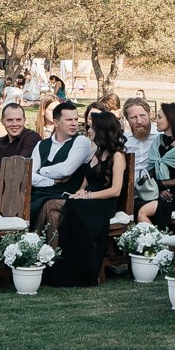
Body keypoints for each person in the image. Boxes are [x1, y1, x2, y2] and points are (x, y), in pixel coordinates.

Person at [48, 108, 126, 287]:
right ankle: (61, 266)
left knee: (74, 208)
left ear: (103, 131)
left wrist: (89, 196)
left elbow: (115, 190)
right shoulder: (94, 153)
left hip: (104, 201)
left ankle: (84, 271)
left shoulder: (117, 156)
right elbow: (85, 181)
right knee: (70, 204)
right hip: (88, 198)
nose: (88, 131)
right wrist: (79, 193)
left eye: (92, 128)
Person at [29, 102, 92, 223]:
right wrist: (51, 181)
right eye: (69, 119)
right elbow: (29, 175)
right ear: (56, 123)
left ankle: (36, 240)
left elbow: (65, 170)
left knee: (49, 212)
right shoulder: (41, 145)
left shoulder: (81, 141)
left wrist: (41, 170)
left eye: (75, 119)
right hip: (38, 194)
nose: (74, 123)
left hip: (65, 195)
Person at [121, 98, 164, 216]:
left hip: (152, 191)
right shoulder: (124, 140)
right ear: (127, 120)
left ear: (149, 115)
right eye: (133, 117)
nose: (139, 121)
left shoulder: (160, 136)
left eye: (142, 115)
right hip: (128, 192)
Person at [0, 101, 40, 169]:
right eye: (10, 120)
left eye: (18, 120)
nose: (14, 124)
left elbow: (20, 166)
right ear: (2, 121)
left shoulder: (32, 138)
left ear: (24, 120)